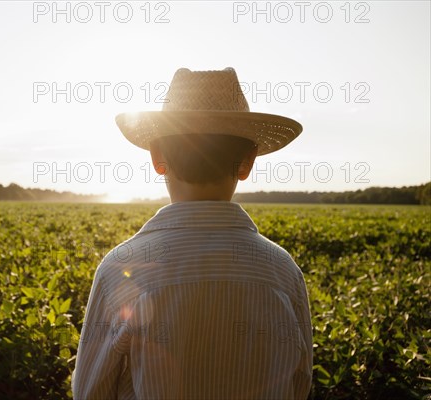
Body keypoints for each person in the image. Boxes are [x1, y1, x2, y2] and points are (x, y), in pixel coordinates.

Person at [72, 67, 312, 399]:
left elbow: (90, 392)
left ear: (157, 157)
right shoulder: (283, 271)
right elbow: (300, 385)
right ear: (247, 162)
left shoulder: (121, 268)